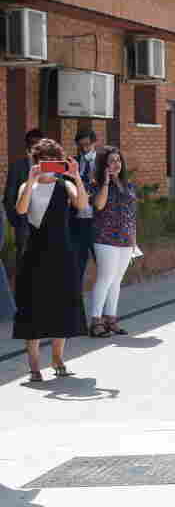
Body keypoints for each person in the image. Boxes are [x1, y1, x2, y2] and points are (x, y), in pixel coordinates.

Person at [12, 139, 89, 381]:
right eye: (43, 160)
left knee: (62, 305)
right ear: (36, 161)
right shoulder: (28, 185)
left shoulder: (65, 185)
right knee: (32, 306)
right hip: (34, 253)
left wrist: (76, 177)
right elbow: (21, 210)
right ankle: (34, 366)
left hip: (62, 253)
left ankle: (57, 358)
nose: (48, 165)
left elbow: (83, 205)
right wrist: (32, 180)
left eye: (53, 160)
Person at [87, 147, 139, 338]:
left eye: (118, 160)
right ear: (104, 165)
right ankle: (95, 321)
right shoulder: (95, 185)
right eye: (112, 161)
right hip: (105, 238)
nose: (116, 164)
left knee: (116, 280)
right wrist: (106, 183)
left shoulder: (129, 186)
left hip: (125, 239)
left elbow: (132, 214)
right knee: (105, 278)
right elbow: (99, 205)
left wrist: (134, 239)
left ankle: (111, 319)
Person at [4, 129, 46, 261]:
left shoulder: (51, 166)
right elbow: (9, 197)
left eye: (38, 145)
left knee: (45, 258)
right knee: (23, 258)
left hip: (46, 223)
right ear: (27, 146)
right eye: (31, 144)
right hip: (24, 223)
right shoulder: (17, 167)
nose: (34, 148)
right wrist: (16, 221)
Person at [71, 128, 98, 286]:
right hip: (78, 221)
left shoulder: (103, 163)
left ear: (95, 143)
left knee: (102, 263)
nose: (84, 149)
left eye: (87, 145)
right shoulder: (73, 163)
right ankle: (77, 302)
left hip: (97, 221)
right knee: (77, 265)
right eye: (80, 146)